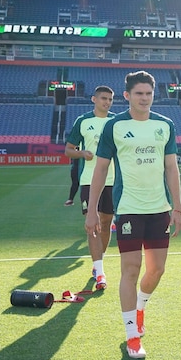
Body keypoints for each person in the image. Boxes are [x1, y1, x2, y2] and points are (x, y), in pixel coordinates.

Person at [85, 71, 181, 359]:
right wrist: (92, 210)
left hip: (159, 210)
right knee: (131, 270)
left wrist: (176, 206)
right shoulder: (114, 126)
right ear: (127, 95)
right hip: (128, 209)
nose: (144, 98)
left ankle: (140, 307)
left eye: (148, 93)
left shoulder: (165, 125)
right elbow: (101, 169)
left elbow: (171, 168)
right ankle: (131, 337)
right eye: (138, 93)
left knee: (157, 270)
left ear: (154, 95)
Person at [65, 85, 116, 290]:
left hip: (113, 180)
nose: (107, 102)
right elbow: (68, 150)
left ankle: (98, 262)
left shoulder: (117, 121)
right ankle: (100, 271)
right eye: (104, 98)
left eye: (110, 99)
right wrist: (82, 153)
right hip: (89, 179)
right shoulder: (83, 121)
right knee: (92, 224)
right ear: (94, 99)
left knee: (106, 222)